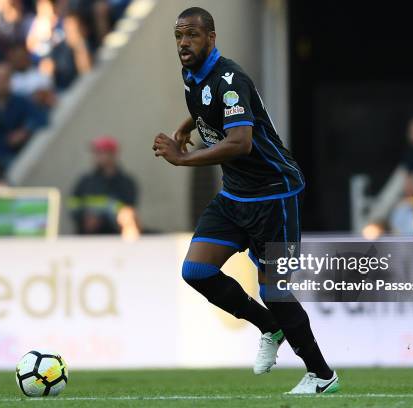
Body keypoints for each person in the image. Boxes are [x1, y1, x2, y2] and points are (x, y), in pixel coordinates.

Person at [152, 8, 338, 394]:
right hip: (235, 196)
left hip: (274, 194)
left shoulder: (230, 79)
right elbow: (204, 105)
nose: (183, 43)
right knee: (197, 272)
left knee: (274, 291)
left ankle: (321, 374)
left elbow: (241, 143)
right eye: (179, 36)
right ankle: (268, 326)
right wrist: (188, 125)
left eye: (192, 35)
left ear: (212, 38)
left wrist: (183, 158)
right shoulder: (192, 72)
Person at [69, 136, 139, 238]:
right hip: (87, 238)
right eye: (96, 153)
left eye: (101, 152)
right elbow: (74, 205)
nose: (97, 156)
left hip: (115, 237)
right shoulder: (85, 181)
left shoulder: (126, 183)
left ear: (112, 154)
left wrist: (103, 219)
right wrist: (84, 218)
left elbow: (128, 211)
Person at [0, 64, 36, 168]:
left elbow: (37, 118)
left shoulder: (21, 102)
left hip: (20, 154)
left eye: (4, 80)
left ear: (9, 82)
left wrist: (24, 131)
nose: (0, 84)